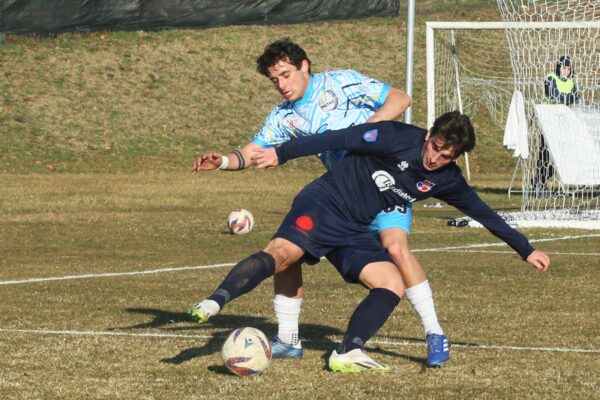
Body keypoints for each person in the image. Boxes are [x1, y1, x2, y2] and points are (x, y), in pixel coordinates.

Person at [190, 111, 550, 373]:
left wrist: (526, 248)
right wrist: (281, 153)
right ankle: (214, 301)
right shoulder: (394, 136)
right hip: (323, 202)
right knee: (283, 255)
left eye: (447, 156)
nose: (436, 158)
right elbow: (338, 138)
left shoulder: (448, 180)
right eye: (436, 147)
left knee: (391, 282)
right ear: (428, 135)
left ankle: (347, 351)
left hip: (354, 229)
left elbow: (484, 212)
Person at [190, 39, 453, 367]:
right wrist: (224, 161)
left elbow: (400, 98)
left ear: (305, 66)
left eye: (286, 75)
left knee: (396, 247)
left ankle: (434, 332)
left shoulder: (341, 83)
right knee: (291, 253)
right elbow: (252, 152)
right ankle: (288, 339)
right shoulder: (284, 117)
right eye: (275, 80)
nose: (282, 85)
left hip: (388, 183)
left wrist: (366, 132)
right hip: (342, 197)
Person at [537, 55, 579, 187]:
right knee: (545, 153)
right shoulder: (551, 77)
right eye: (564, 68)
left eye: (568, 69)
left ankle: (543, 179)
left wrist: (566, 98)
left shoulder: (571, 82)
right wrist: (567, 98)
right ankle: (538, 182)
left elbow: (576, 97)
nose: (566, 71)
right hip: (548, 119)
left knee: (566, 154)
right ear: (558, 68)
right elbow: (552, 94)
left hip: (564, 122)